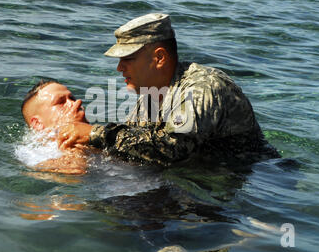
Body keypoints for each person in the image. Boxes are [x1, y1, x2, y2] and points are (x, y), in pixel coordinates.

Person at [57, 13, 281, 166]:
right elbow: (135, 144)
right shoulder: (151, 93)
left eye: (128, 59)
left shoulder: (202, 87)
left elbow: (172, 147)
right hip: (213, 177)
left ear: (159, 58)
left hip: (259, 181)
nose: (119, 68)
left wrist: (94, 134)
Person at [21, 79, 90, 174]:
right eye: (61, 102)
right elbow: (75, 175)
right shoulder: (37, 156)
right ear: (38, 123)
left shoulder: (96, 136)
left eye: (72, 98)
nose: (76, 103)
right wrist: (74, 142)